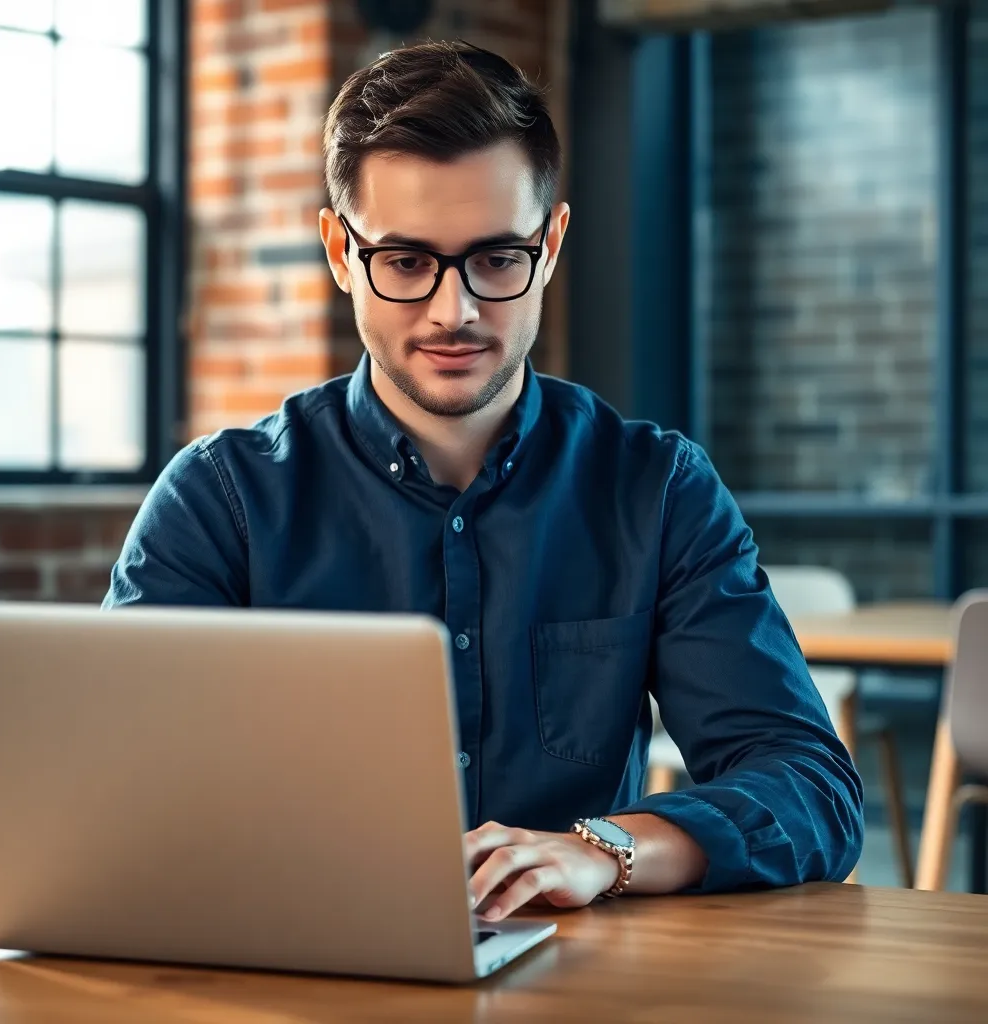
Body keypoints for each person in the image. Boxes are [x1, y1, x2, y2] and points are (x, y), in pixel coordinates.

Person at [105, 41, 863, 921]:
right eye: (405, 261)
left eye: (498, 259)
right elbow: (123, 796)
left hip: (575, 977)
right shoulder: (219, 501)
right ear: (341, 253)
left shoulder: (655, 490)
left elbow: (808, 784)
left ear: (552, 245)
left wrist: (602, 851)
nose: (453, 311)